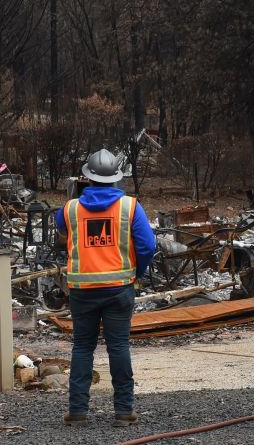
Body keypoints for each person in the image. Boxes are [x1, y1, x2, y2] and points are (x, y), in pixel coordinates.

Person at [55, 149, 156, 428]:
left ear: (86, 178)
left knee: (83, 348)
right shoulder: (130, 207)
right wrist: (137, 272)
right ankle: (123, 411)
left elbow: (60, 226)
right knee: (119, 347)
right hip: (119, 289)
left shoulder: (70, 208)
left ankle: (77, 411)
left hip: (82, 291)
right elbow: (148, 246)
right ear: (116, 179)